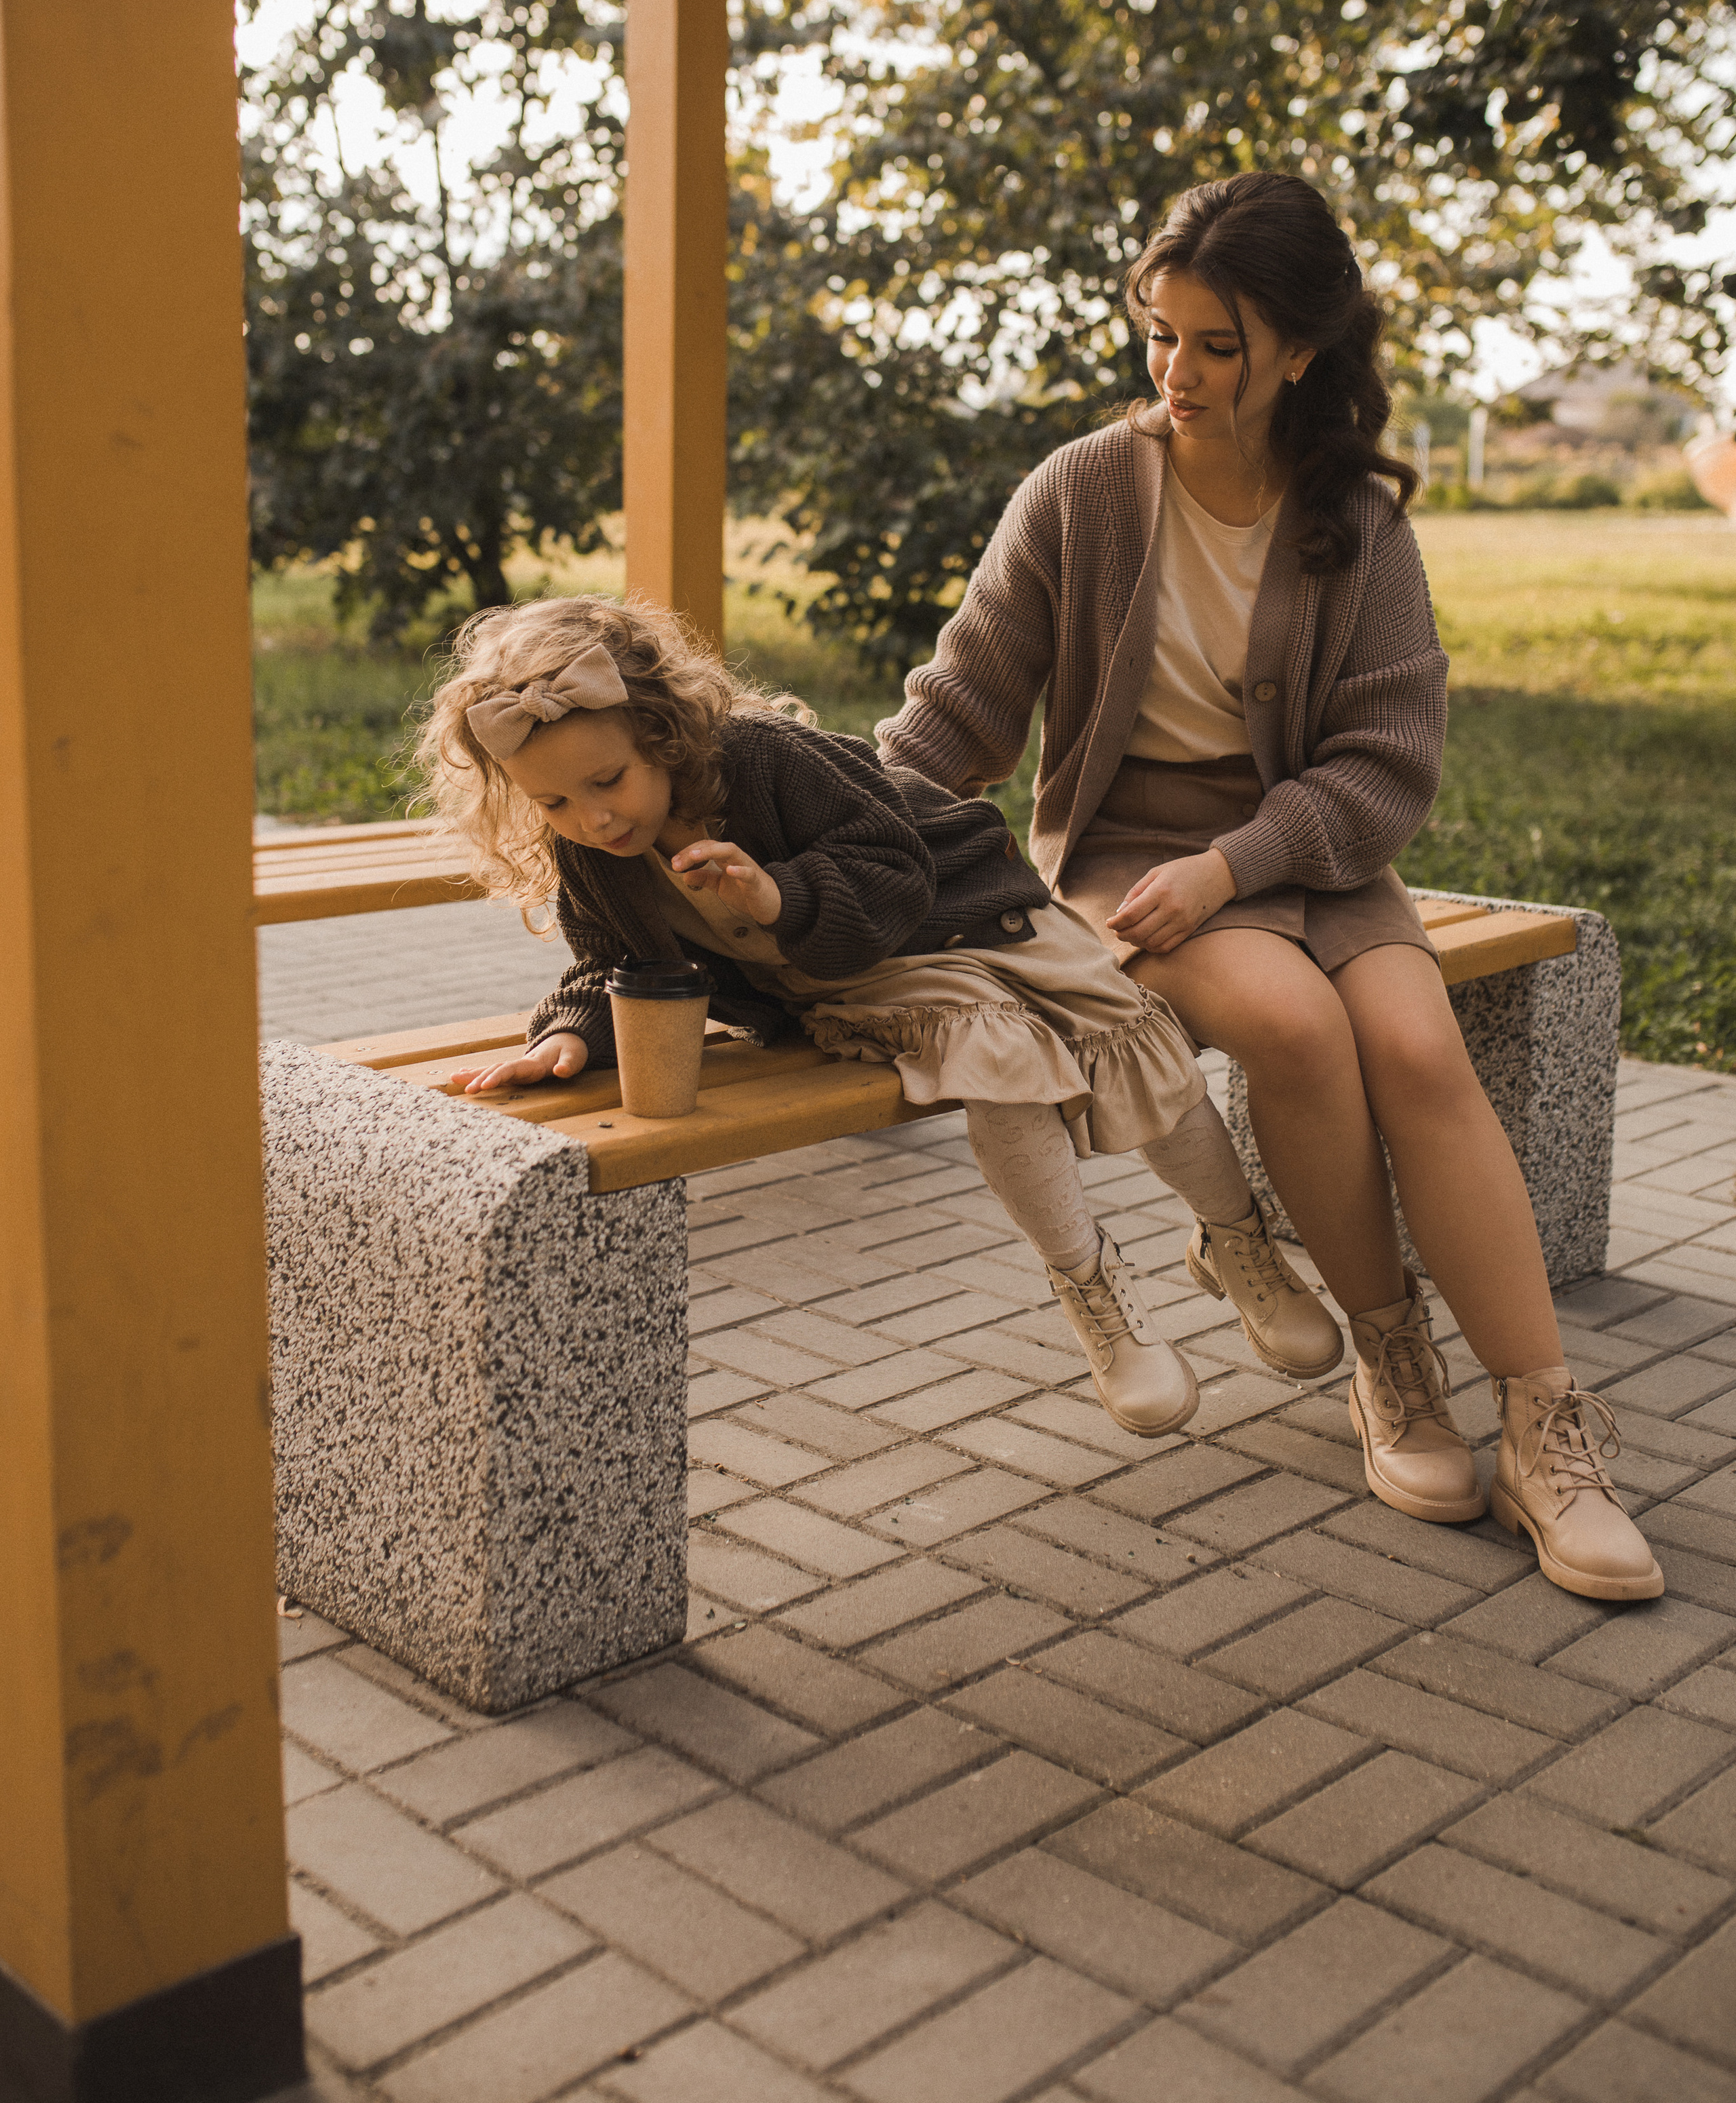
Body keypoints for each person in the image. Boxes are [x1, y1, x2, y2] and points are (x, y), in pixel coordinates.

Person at [878, 171, 1661, 1605]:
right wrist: (822, 845)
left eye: (1214, 345)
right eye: (1157, 335)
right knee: (1294, 1029)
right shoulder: (1079, 491)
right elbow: (955, 718)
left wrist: (1239, 859)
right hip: (1130, 855)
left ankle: (1547, 1430)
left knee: (1420, 1049)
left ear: (1298, 350)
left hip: (1311, 849)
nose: (1175, 373)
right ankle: (1391, 1363)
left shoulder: (1350, 518)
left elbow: (1386, 767)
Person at [410, 591, 1322, 1439]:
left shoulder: (765, 759)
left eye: (607, 780)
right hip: (870, 982)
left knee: (1131, 1040)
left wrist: (776, 896)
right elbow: (615, 964)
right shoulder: (599, 860)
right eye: (554, 803)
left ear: (662, 733)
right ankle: (1095, 1297)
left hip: (965, 912)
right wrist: (568, 1034)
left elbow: (896, 869)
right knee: (994, 1064)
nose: (593, 817)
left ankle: (1240, 1244)